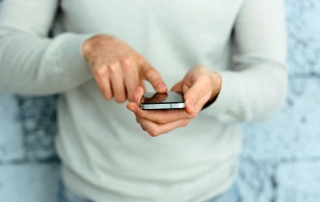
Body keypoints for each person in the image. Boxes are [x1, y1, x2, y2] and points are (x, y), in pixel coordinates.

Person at [0, 0, 287, 201]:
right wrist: (86, 51)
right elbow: (5, 54)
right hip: (88, 191)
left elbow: (271, 81)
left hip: (211, 192)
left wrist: (215, 91)